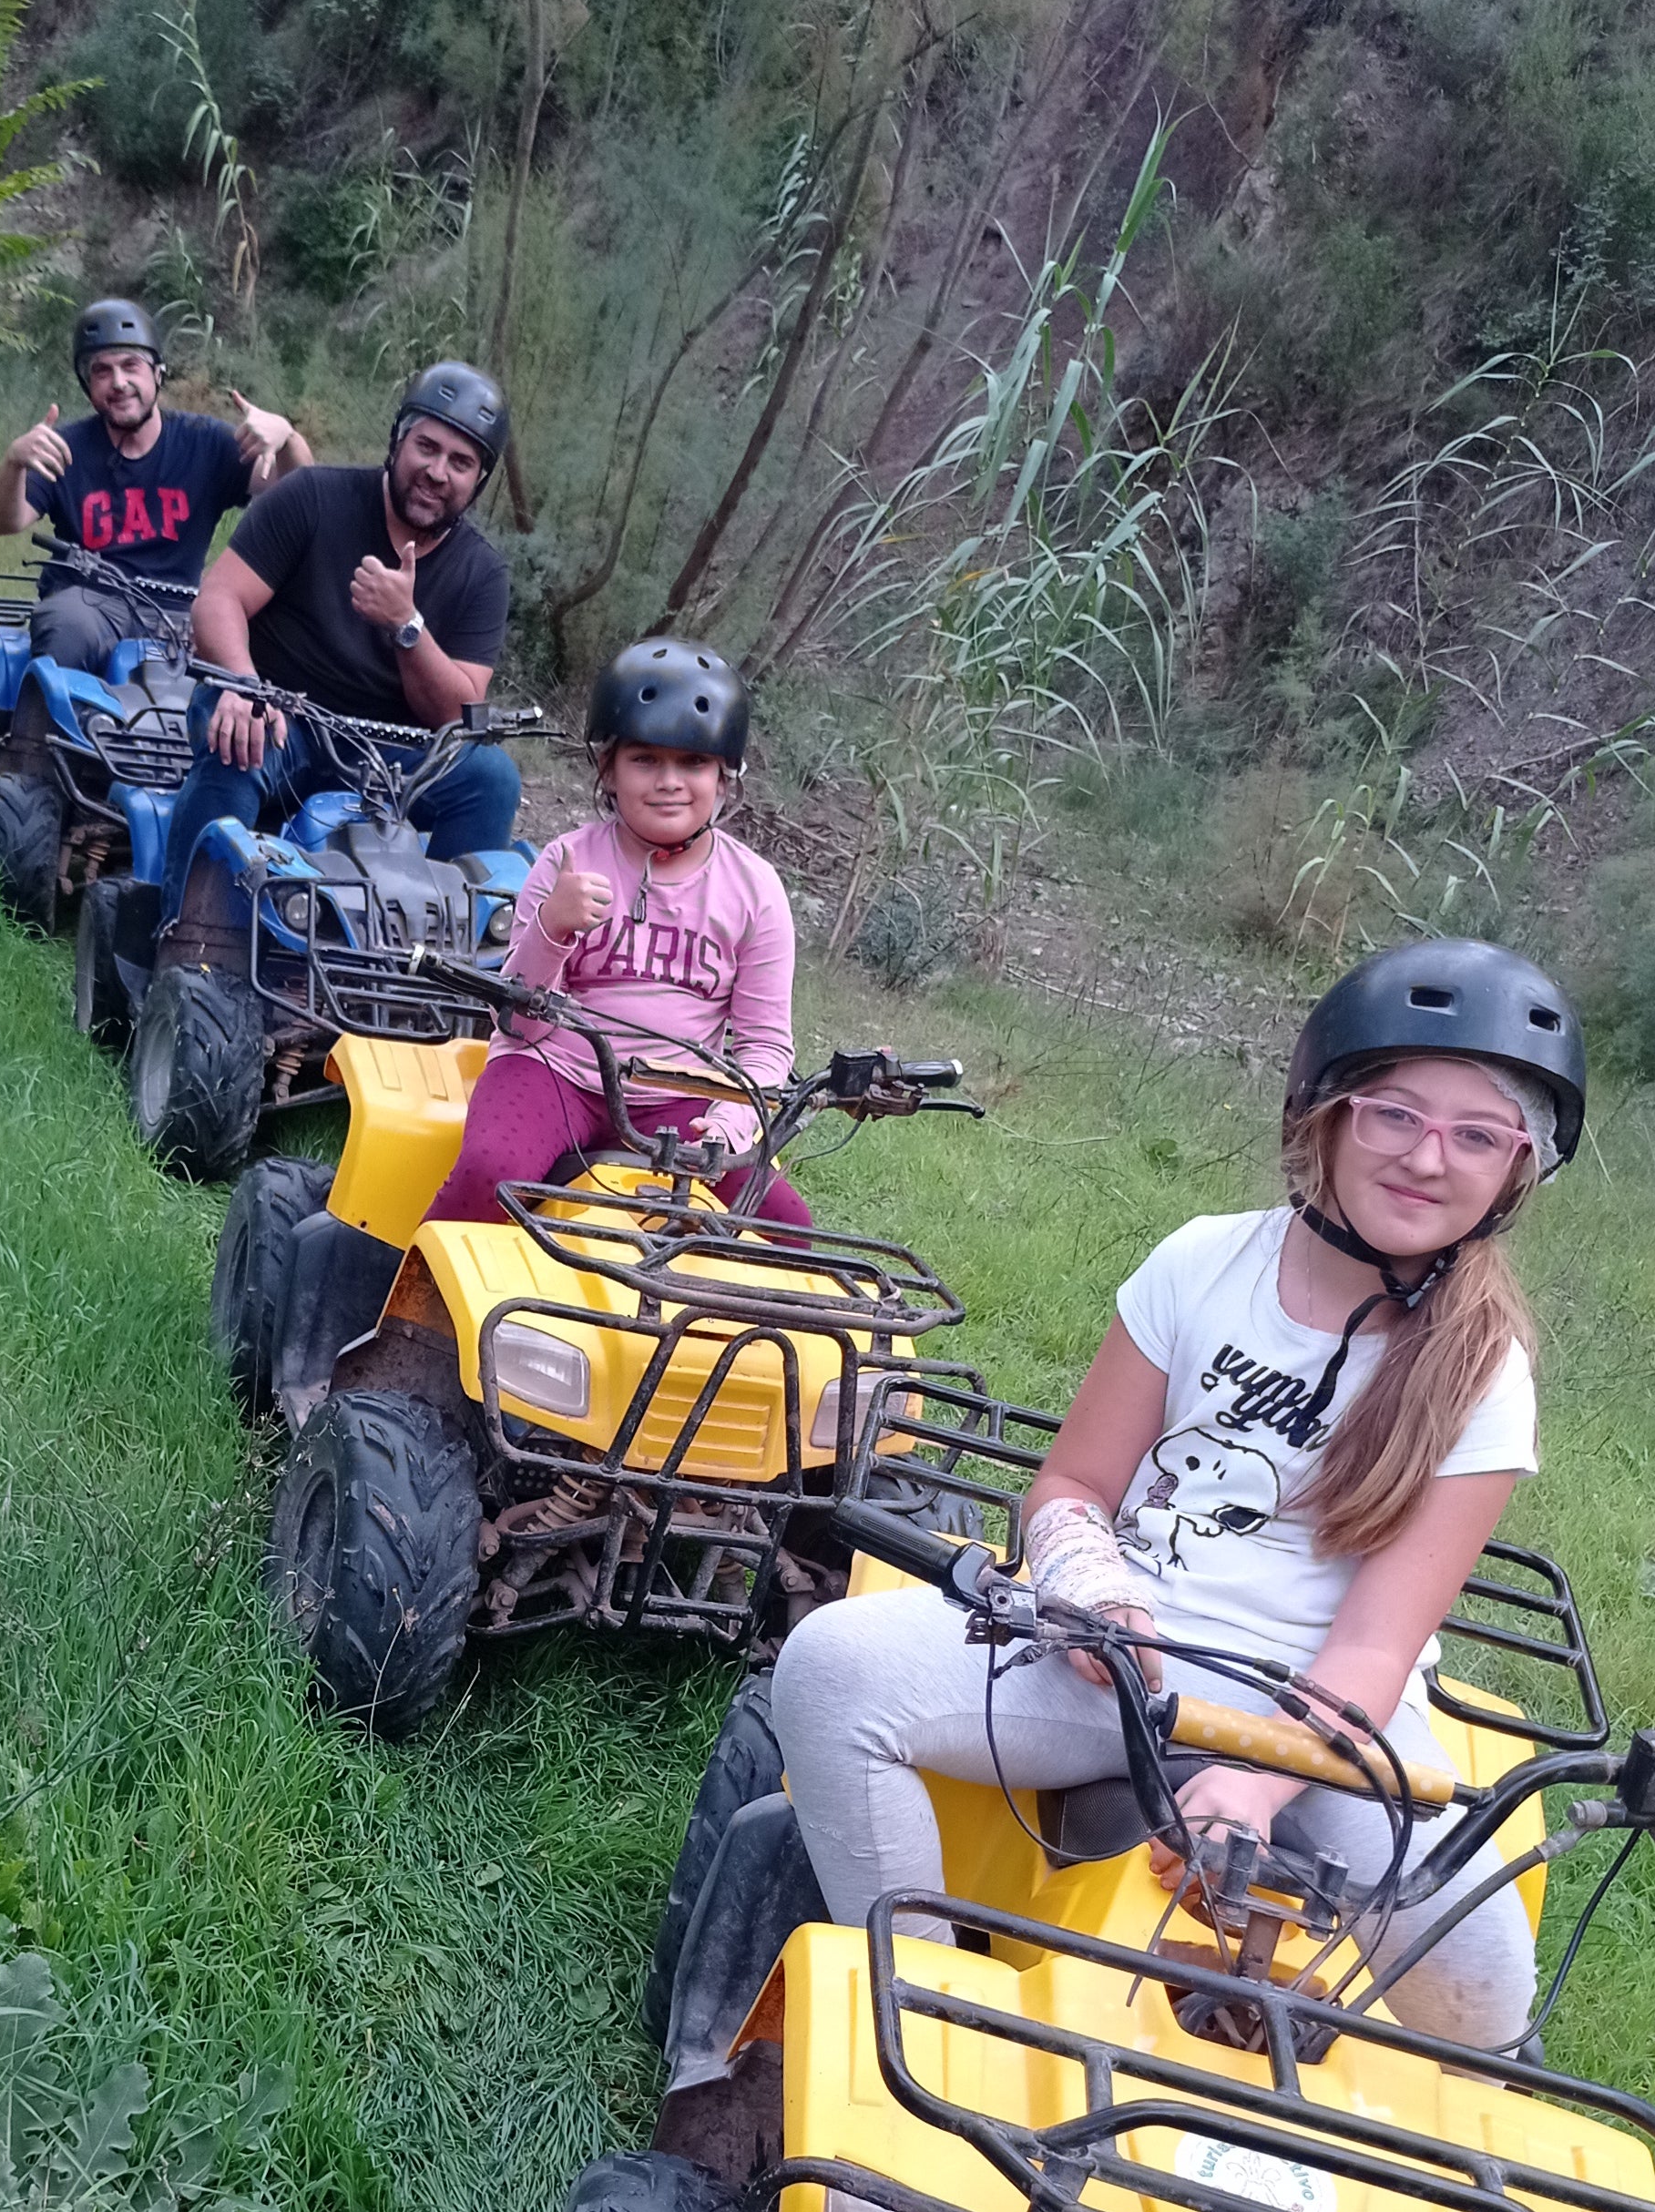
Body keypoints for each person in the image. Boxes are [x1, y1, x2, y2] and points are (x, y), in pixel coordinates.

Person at [771, 939, 1591, 2045]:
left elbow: (1375, 1646)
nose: (1427, 1158)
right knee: (830, 1670)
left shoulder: (1484, 1369)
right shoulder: (1204, 1264)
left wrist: (1260, 1780)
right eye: (1394, 1114)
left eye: (1478, 1135)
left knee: (1484, 1990)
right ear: (1324, 1113)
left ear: (1517, 1172)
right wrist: (1090, 1588)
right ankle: (922, 2008)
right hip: (1134, 1653)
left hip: (1337, 1709)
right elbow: (1074, 1483)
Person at [424, 639, 811, 1230]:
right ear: (608, 768)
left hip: (678, 1098)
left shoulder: (755, 890)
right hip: (552, 1073)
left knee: (788, 1229)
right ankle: (408, 1287)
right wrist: (553, 926)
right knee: (488, 1172)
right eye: (645, 760)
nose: (670, 782)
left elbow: (765, 1047)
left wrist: (729, 1125)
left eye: (693, 763)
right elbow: (516, 1022)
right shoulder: (567, 861)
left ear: (725, 778)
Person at [158, 361, 522, 918]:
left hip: (389, 752)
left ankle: (438, 951)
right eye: (426, 447)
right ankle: (189, 935)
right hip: (279, 716)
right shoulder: (313, 496)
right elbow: (219, 599)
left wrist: (407, 626)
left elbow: (459, 714)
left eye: (461, 462)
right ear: (398, 441)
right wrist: (243, 685)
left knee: (492, 778)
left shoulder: (483, 573)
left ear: (480, 480)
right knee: (237, 742)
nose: (437, 472)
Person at [0, 297, 307, 672]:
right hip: (89, 600)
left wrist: (287, 439)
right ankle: (44, 712)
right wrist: (14, 463)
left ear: (157, 373)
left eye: (130, 366)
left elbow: (300, 496)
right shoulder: (65, 447)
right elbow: (3, 521)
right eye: (102, 371)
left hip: (177, 612)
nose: (119, 383)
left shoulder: (206, 443)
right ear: (87, 385)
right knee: (67, 627)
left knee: (258, 658)